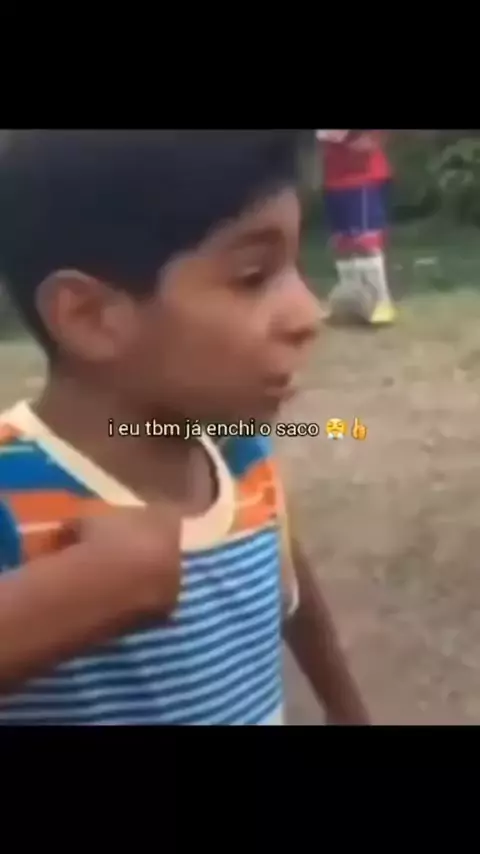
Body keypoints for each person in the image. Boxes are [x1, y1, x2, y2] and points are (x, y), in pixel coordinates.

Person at [0, 130, 368, 725]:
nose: (309, 314)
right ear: (90, 317)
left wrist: (348, 711)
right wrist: (66, 599)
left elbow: (286, 584)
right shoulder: (7, 499)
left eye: (295, 268)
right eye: (253, 276)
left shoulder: (241, 453)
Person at [316, 129, 396, 326]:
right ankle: (350, 303)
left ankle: (382, 302)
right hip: (334, 181)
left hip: (362, 178)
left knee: (365, 242)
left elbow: (372, 141)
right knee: (341, 243)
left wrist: (359, 139)